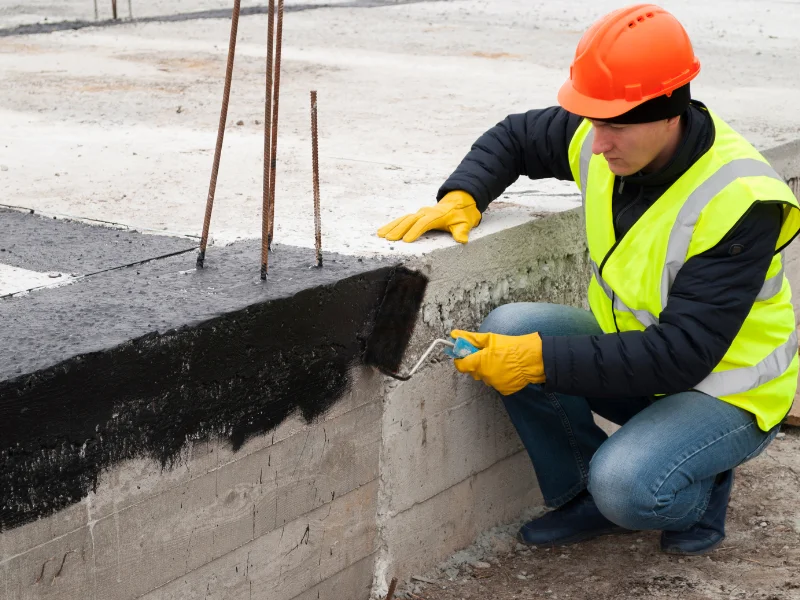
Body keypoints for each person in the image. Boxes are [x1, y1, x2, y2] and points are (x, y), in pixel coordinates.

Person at [377, 4, 800, 555]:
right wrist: (465, 195)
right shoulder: (607, 137)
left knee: (626, 484)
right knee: (512, 324)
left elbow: (684, 354)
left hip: (727, 390)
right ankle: (583, 495)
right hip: (644, 362)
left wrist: (537, 359)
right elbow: (516, 137)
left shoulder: (741, 199)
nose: (597, 143)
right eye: (594, 120)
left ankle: (699, 490)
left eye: (615, 125)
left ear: (671, 113)